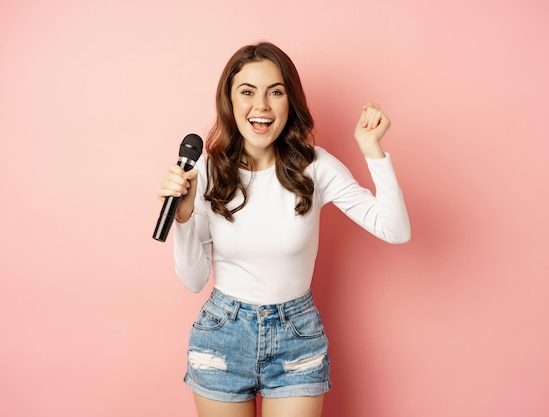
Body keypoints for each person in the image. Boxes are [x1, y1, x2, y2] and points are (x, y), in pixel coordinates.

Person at [156, 41, 411, 417]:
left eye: (275, 92)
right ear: (230, 102)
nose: (261, 106)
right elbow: (194, 280)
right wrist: (184, 215)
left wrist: (372, 149)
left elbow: (395, 229)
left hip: (296, 337)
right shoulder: (207, 171)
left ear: (289, 101)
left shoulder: (315, 167)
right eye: (247, 92)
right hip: (223, 333)